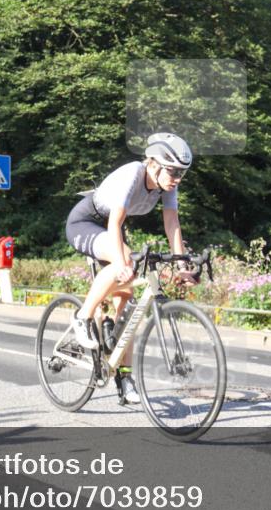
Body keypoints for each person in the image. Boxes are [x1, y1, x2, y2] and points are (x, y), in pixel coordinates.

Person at [64, 132, 194, 404]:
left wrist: (181, 263)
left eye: (181, 173)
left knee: (128, 304)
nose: (177, 178)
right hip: (87, 222)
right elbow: (114, 222)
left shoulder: (168, 185)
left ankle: (124, 377)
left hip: (112, 228)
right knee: (125, 261)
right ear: (154, 164)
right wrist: (122, 263)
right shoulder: (134, 173)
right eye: (173, 171)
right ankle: (83, 316)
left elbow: (172, 223)